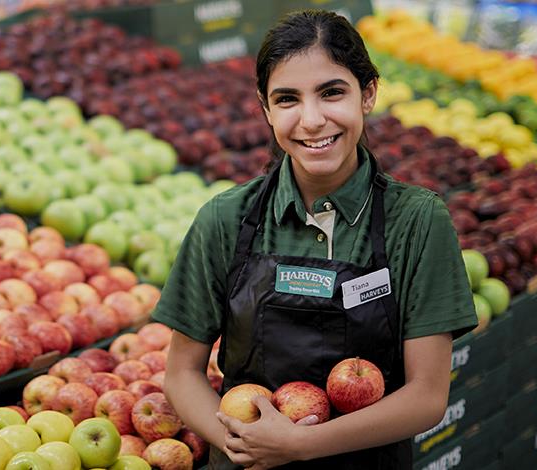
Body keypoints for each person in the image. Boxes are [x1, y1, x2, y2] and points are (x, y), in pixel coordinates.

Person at [152, 10, 479, 470]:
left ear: (367, 94)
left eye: (331, 93)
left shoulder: (418, 221)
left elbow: (426, 396)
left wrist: (299, 446)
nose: (311, 120)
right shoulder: (226, 219)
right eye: (287, 99)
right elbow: (182, 373)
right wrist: (243, 445)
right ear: (266, 110)